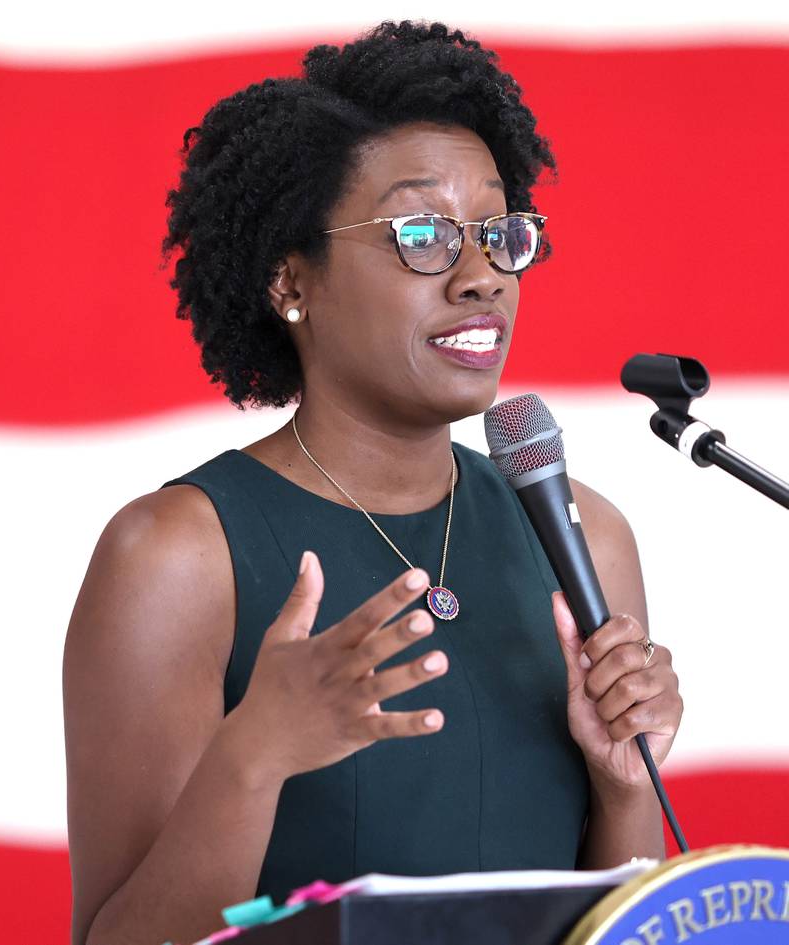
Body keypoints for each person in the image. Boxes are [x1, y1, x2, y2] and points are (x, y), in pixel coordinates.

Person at [62, 20, 683, 945]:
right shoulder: (176, 555)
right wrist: (255, 754)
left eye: (499, 230)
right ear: (290, 280)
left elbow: (614, 925)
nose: (482, 277)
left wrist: (621, 780)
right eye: (423, 232)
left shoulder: (583, 537)